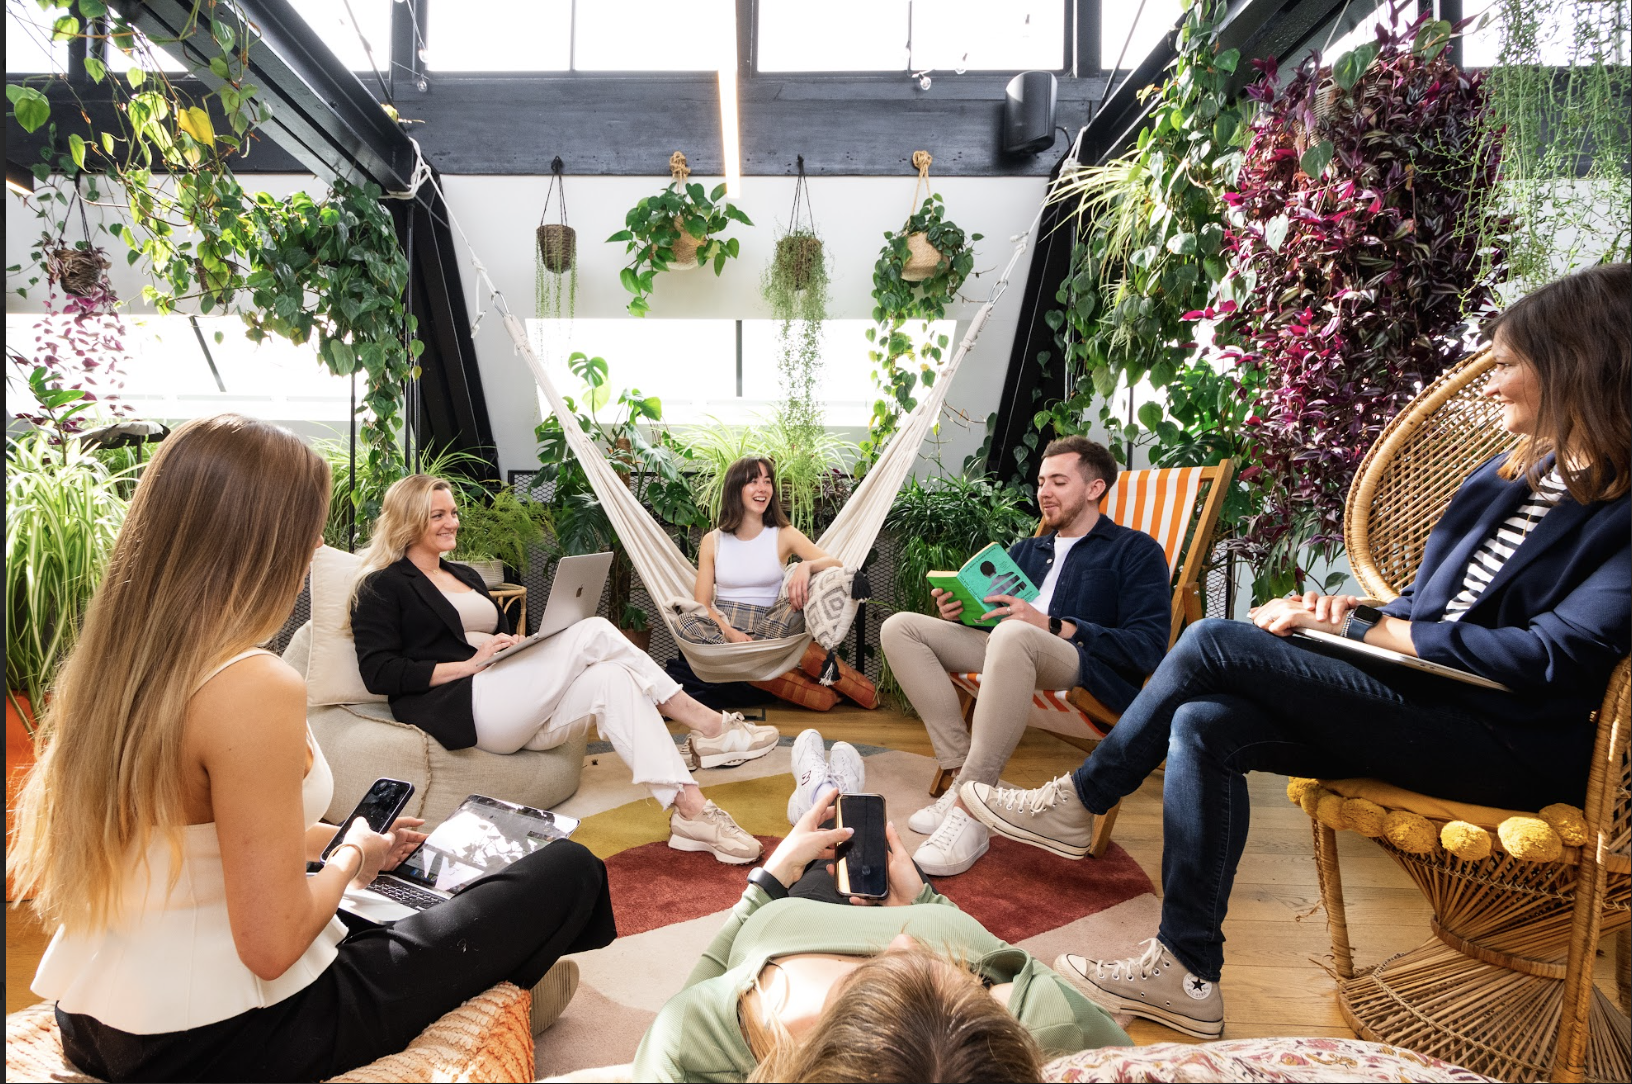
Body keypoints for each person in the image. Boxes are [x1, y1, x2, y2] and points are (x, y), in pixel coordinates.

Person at [958, 263, 1632, 1040]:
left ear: (1576, 362)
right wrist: (1345, 612)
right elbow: (1428, 608)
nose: (1493, 383)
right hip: (1426, 696)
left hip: (1509, 740)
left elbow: (1555, 659)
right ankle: (1185, 971)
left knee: (1212, 639)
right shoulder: (1506, 480)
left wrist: (1370, 633)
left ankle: (1082, 801)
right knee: (1207, 722)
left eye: (1508, 363)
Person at [7, 415, 618, 1082]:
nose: (318, 544)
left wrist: (338, 840)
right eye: (310, 526)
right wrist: (356, 853)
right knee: (566, 869)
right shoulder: (251, 686)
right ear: (258, 542)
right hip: (225, 1040)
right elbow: (271, 945)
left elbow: (193, 843)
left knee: (420, 891)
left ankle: (505, 968)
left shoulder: (113, 669)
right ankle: (520, 982)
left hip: (95, 1021)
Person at [349, 474, 779, 865]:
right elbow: (380, 671)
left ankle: (691, 812)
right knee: (594, 631)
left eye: (454, 512)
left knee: (612, 679)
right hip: (467, 706)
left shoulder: (466, 575)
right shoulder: (383, 585)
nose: (452, 522)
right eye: (437, 515)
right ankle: (709, 726)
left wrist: (516, 647)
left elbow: (492, 639)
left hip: (511, 698)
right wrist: (467, 665)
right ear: (408, 520)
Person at [631, 786, 1129, 1083]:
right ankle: (836, 796)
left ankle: (819, 791)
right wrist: (929, 902)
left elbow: (686, 1004)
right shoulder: (1046, 1020)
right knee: (861, 850)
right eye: (956, 980)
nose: (905, 939)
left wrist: (770, 877)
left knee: (828, 852)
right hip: (911, 893)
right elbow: (1128, 1057)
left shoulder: (717, 1034)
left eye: (875, 976)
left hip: (792, 908)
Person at [879, 435, 1171, 876]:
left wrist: (1053, 625)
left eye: (1058, 481)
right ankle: (960, 770)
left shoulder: (1135, 551)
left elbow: (1147, 648)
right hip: (1014, 650)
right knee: (900, 627)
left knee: (1016, 633)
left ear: (1094, 488)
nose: (1044, 492)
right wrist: (963, 613)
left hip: (1082, 666)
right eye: (1040, 482)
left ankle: (972, 810)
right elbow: (999, 627)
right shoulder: (1025, 551)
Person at [678, 455, 841, 646]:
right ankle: (737, 658)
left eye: (767, 482)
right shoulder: (712, 541)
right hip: (722, 631)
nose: (762, 488)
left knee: (796, 613)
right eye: (753, 482)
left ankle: (746, 660)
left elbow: (836, 564)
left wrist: (807, 566)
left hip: (771, 627)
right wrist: (729, 632)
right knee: (684, 621)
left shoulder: (785, 534)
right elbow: (703, 604)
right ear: (735, 489)